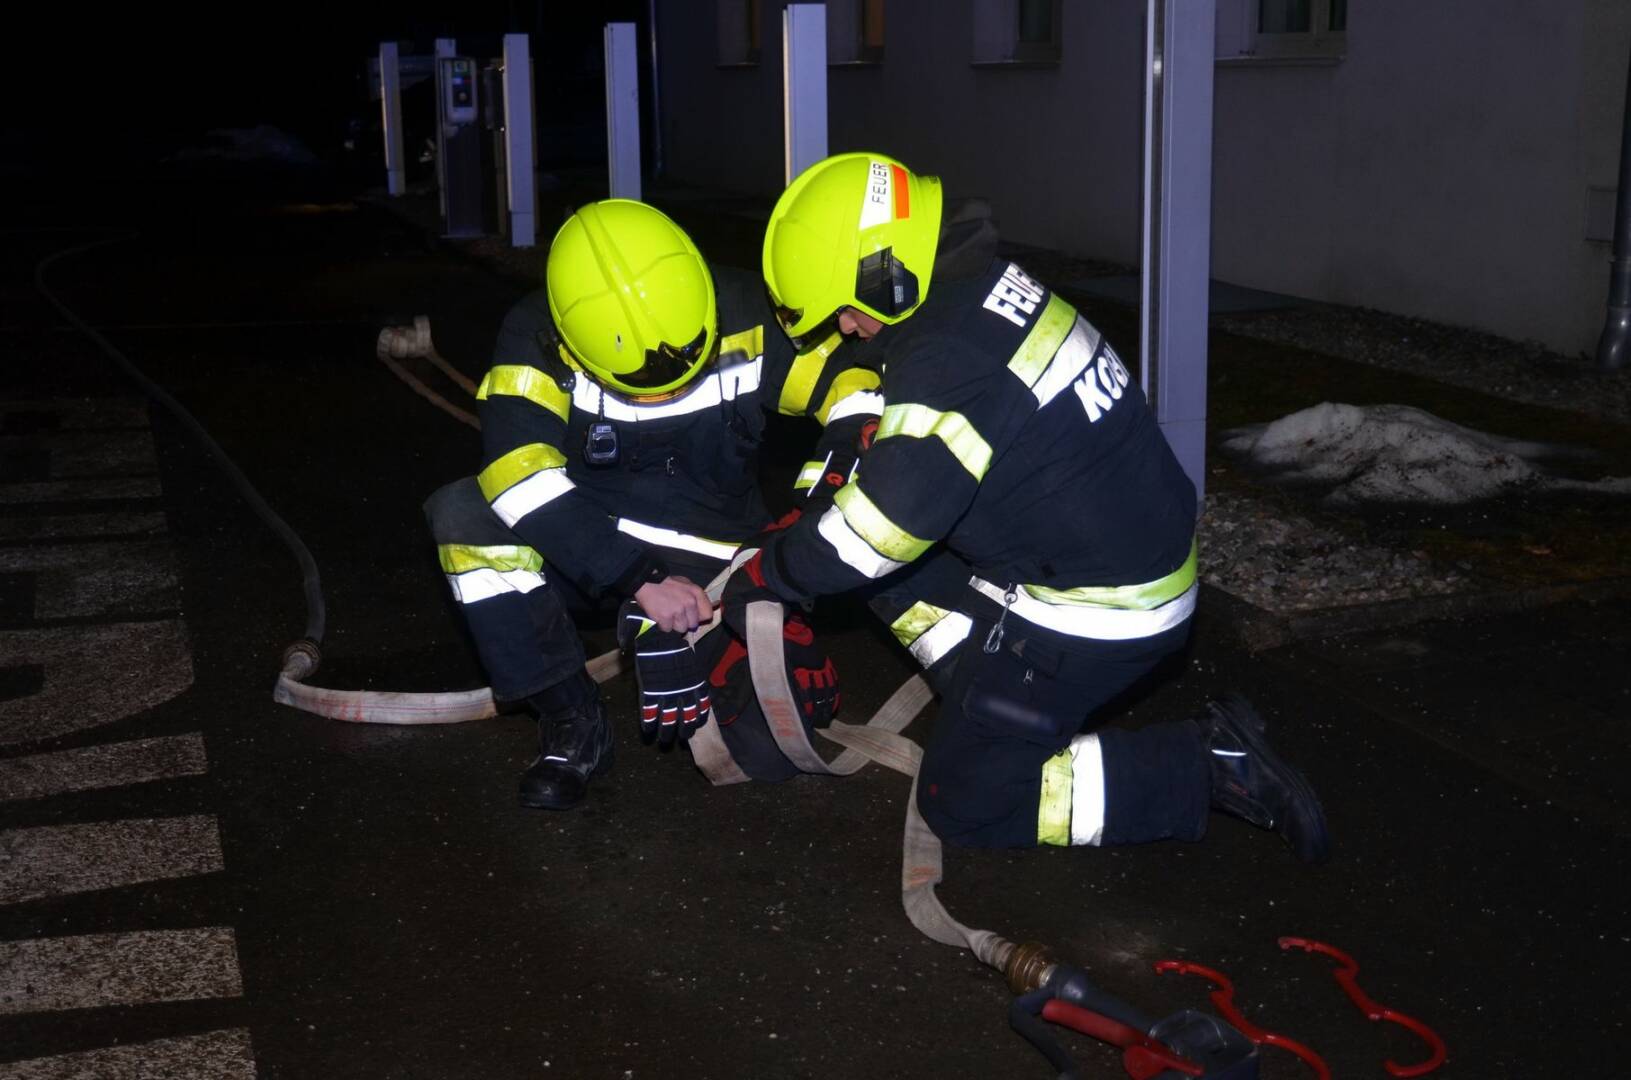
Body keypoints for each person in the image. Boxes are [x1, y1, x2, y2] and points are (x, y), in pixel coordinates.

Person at [724, 153, 1330, 860]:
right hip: (1116, 546)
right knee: (884, 567)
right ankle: (991, 693)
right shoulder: (974, 286)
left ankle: (1204, 766)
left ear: (881, 274)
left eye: (846, 313)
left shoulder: (948, 355)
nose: (850, 331)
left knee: (965, 805)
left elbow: (877, 533)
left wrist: (769, 575)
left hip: (1097, 615)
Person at [425, 199, 879, 810]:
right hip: (589, 545)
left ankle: (684, 635)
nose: (668, 388)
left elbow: (858, 395)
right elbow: (517, 479)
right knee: (464, 516)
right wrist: (641, 583)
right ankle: (571, 720)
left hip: (713, 561)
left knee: (768, 754)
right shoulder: (534, 338)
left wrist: (797, 535)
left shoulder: (746, 310)